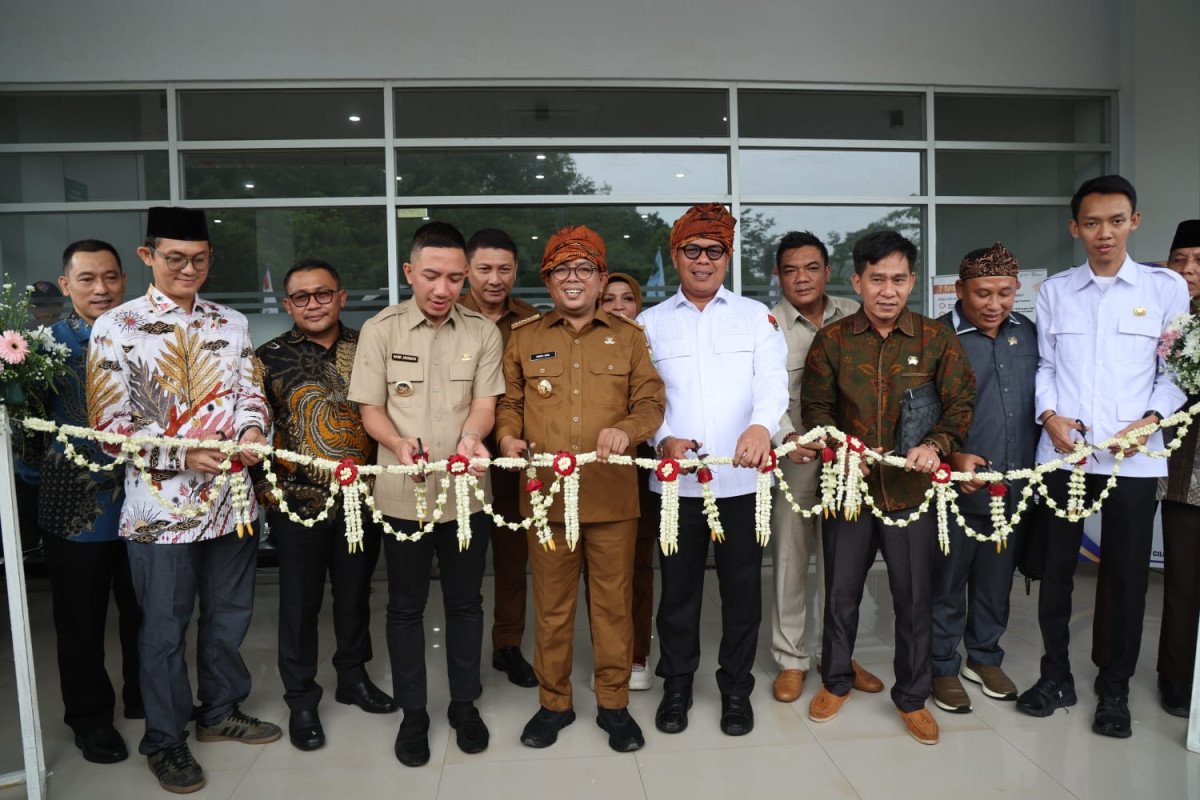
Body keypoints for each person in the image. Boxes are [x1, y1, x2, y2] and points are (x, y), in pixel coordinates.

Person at [88, 207, 278, 794]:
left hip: (231, 504)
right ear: (148, 257)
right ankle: (166, 742)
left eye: (198, 259)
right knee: (163, 630)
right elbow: (108, 424)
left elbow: (253, 395)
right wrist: (180, 456)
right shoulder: (116, 327)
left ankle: (220, 712)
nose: (188, 269)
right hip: (159, 509)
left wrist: (251, 434)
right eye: (175, 258)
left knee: (228, 618)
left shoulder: (233, 322)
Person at [1016, 175, 1189, 738]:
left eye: (1116, 221)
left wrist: (1151, 421)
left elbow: (1175, 375)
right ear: (1075, 228)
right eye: (1092, 223)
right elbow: (1044, 368)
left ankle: (1114, 689)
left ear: (1134, 222)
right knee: (1057, 572)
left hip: (1134, 460)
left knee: (1126, 576)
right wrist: (1049, 417)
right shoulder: (1055, 291)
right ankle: (1055, 675)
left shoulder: (1164, 289)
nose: (1104, 233)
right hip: (1065, 455)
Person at [802, 230, 975, 745]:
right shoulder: (832, 341)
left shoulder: (935, 340)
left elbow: (960, 403)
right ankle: (836, 679)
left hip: (911, 492)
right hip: (850, 492)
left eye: (898, 279)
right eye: (876, 279)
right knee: (841, 594)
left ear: (912, 281)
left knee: (914, 598)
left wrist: (938, 444)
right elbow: (815, 406)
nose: (887, 290)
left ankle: (913, 697)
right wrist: (836, 445)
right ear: (856, 281)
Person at [495, 228, 665, 753]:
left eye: (585, 270)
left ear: (599, 279)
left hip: (612, 497)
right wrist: (506, 435)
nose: (574, 278)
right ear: (547, 279)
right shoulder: (523, 336)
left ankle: (614, 705)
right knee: (552, 607)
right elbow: (510, 403)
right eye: (562, 270)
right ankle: (554, 704)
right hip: (546, 498)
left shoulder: (629, 336)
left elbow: (651, 404)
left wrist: (630, 430)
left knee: (613, 606)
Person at [347, 221, 504, 767]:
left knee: (465, 603)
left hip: (466, 493)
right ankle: (414, 713)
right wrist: (396, 442)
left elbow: (485, 404)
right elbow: (370, 409)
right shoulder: (381, 329)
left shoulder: (483, 331)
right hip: (401, 493)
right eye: (432, 276)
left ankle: (464, 705)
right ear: (410, 271)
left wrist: (471, 436)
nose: (443, 289)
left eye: (456, 279)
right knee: (405, 607)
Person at [637, 203, 789, 737]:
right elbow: (640, 398)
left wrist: (762, 427)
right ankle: (676, 687)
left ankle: (735, 690)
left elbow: (773, 383)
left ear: (727, 258)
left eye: (714, 251)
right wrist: (661, 439)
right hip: (676, 488)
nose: (703, 261)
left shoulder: (755, 317)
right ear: (676, 255)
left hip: (743, 485)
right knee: (677, 594)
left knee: (742, 593)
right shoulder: (648, 324)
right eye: (692, 250)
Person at [253, 258, 396, 753]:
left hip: (362, 500)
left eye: (322, 294)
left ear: (341, 296)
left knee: (355, 596)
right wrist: (267, 493)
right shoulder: (265, 357)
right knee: (299, 604)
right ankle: (301, 699)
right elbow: (252, 428)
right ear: (287, 303)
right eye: (301, 297)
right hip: (297, 503)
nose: (312, 304)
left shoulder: (371, 348)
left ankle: (353, 679)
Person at [14, 240, 140, 765]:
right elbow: (24, 440)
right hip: (73, 509)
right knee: (80, 622)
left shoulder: (147, 338)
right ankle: (89, 719)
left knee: (148, 613)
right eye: (87, 279)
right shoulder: (41, 349)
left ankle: (148, 698)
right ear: (66, 286)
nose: (101, 289)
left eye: (110, 277)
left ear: (125, 281)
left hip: (144, 503)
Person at [765, 231, 882, 705]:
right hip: (798, 453)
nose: (802, 278)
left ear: (828, 271)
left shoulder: (857, 317)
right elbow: (760, 391)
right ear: (778, 275)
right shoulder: (766, 324)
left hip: (850, 459)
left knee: (845, 561)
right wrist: (784, 438)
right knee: (793, 559)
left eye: (811, 267)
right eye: (790, 269)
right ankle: (791, 659)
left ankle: (838, 654)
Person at [931, 243, 1037, 713]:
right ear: (959, 291)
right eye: (982, 294)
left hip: (1012, 485)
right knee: (948, 581)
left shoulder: (1028, 333)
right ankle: (940, 665)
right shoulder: (936, 339)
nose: (994, 304)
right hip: (955, 487)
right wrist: (950, 457)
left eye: (1005, 293)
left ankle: (984, 657)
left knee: (996, 579)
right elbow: (917, 416)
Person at [458, 228, 540, 689]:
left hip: (511, 460)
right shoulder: (447, 314)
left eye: (504, 269)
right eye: (484, 269)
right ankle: (462, 650)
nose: (494, 279)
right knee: (464, 559)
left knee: (512, 561)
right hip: (459, 458)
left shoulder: (531, 322)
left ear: (515, 271)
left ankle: (507, 645)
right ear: (467, 269)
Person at [597, 272, 658, 691]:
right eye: (609, 300)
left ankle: (637, 655)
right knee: (599, 571)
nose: (619, 306)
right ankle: (606, 657)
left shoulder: (649, 346)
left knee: (637, 566)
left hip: (643, 465)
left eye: (627, 299)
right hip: (596, 467)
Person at [1155, 219, 1200, 717]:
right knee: (1183, 582)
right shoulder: (1168, 320)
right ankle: (1177, 675)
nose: (1188, 270)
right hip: (1183, 474)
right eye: (1180, 259)